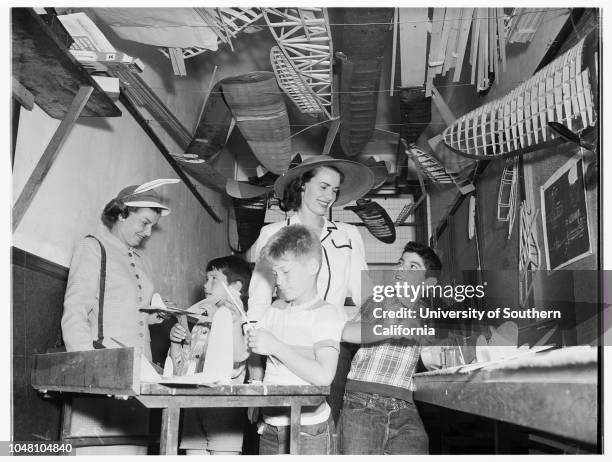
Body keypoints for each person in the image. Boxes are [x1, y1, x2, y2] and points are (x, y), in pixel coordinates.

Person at [248, 155, 375, 421]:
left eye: (335, 190)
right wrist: (255, 365)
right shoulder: (272, 233)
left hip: (331, 348)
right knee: (280, 425)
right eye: (324, 186)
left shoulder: (348, 235)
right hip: (283, 344)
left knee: (327, 424)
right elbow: (259, 302)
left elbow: (366, 296)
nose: (330, 196)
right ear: (303, 184)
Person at [61, 179, 179, 455]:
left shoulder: (142, 261)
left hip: (140, 372)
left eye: (153, 226)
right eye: (145, 223)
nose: (149, 232)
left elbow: (129, 312)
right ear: (123, 212)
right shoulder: (93, 248)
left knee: (133, 450)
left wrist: (157, 314)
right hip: (105, 370)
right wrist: (87, 369)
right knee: (101, 451)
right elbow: (75, 310)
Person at [246, 225, 345, 454]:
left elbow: (323, 376)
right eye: (275, 273)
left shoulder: (325, 314)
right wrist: (255, 385)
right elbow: (254, 354)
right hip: (270, 426)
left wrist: (277, 347)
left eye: (285, 272)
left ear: (312, 267)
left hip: (309, 429)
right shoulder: (275, 309)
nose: (278, 281)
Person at [339, 241, 442, 455]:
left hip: (405, 405)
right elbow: (347, 332)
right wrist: (392, 328)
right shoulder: (380, 300)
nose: (401, 268)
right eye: (401, 262)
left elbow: (428, 356)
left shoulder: (425, 314)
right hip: (363, 399)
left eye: (413, 267)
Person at [168, 255, 251, 455]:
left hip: (224, 412)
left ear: (236, 287)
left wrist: (219, 323)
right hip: (193, 410)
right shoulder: (200, 322)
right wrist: (175, 342)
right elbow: (182, 371)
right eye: (207, 279)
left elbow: (236, 364)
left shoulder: (242, 323)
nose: (206, 285)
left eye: (214, 279)